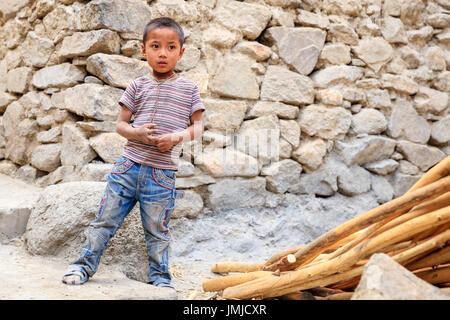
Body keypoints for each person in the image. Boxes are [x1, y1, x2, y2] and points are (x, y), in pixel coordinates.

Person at [62, 17, 205, 289]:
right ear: (143, 49)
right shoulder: (137, 86)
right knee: (104, 221)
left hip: (162, 174)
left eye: (171, 47)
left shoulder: (189, 88)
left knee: (157, 231)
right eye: (155, 46)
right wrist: (137, 133)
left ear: (181, 52)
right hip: (128, 168)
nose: (163, 53)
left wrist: (177, 137)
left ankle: (160, 279)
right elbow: (120, 125)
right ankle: (82, 267)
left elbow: (198, 126)